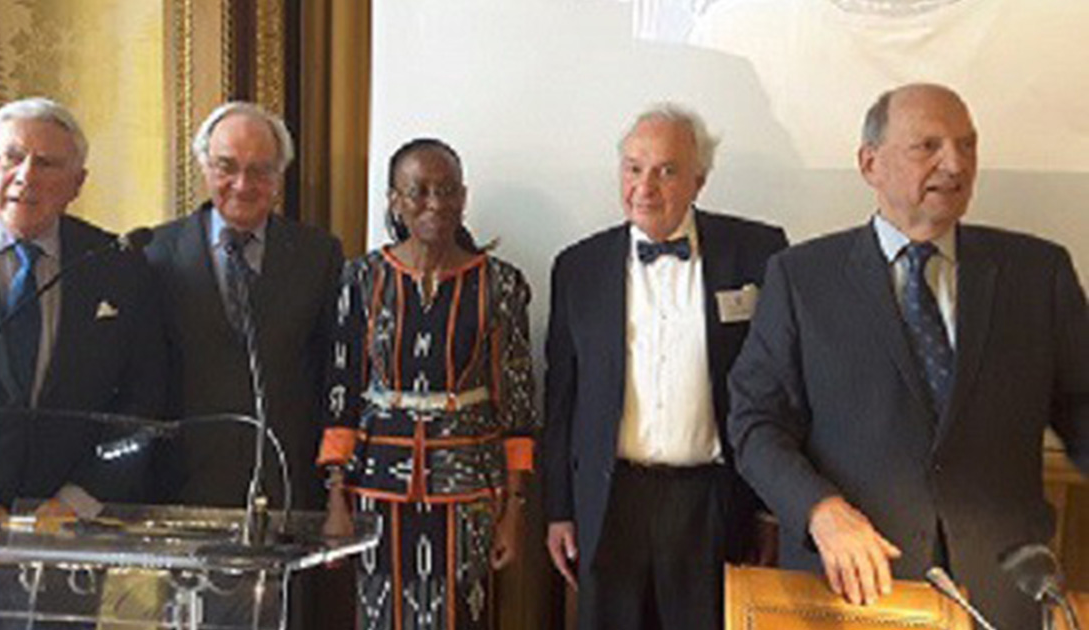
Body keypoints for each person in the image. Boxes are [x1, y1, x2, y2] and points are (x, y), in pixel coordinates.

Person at [727, 83, 1089, 630]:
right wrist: (820, 511)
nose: (955, 163)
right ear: (870, 163)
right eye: (929, 146)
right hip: (856, 592)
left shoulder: (1038, 274)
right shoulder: (802, 279)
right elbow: (755, 424)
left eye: (967, 145)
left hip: (1003, 591)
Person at [543, 105, 788, 630]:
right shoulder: (577, 267)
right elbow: (561, 401)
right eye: (633, 168)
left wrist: (769, 510)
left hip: (712, 501)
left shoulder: (758, 254)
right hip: (610, 500)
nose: (645, 187)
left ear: (699, 180)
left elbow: (780, 391)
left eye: (666, 171)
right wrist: (559, 509)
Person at [0, 97, 167, 525]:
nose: (26, 176)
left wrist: (80, 499)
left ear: (77, 183)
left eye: (47, 164)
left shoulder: (118, 264)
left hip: (70, 533)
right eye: (11, 157)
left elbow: (141, 403)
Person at [318, 138, 538, 630]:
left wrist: (514, 508)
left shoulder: (500, 284)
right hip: (376, 485)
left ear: (464, 197)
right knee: (380, 614)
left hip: (469, 489)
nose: (435, 203)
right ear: (394, 200)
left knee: (463, 614)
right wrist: (335, 497)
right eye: (419, 191)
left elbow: (518, 403)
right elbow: (341, 393)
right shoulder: (362, 278)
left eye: (447, 190)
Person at [146, 101, 342, 511]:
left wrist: (335, 489)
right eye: (226, 167)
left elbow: (332, 377)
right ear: (204, 166)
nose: (242, 184)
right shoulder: (154, 253)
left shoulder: (318, 256)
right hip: (179, 491)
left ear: (280, 174)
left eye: (260, 170)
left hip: (287, 489)